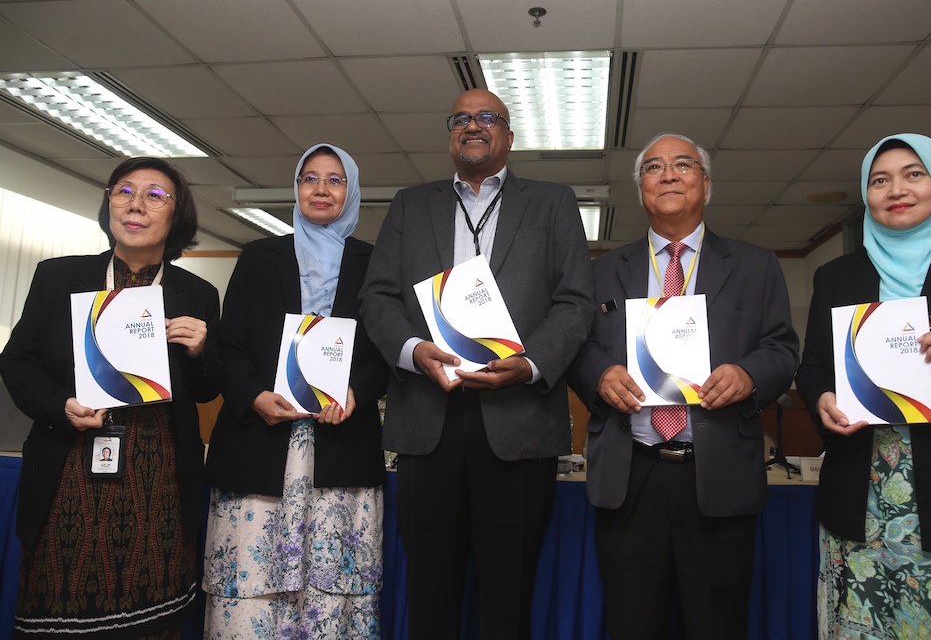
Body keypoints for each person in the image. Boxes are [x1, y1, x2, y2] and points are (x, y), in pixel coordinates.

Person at [360, 88, 594, 640]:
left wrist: (532, 363)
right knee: (430, 595)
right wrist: (413, 351)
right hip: (427, 419)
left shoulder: (553, 201)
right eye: (461, 118)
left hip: (517, 423)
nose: (474, 125)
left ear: (508, 135)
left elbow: (575, 300)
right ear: (450, 135)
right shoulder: (409, 204)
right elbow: (378, 298)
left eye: (488, 117)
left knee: (507, 598)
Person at [568, 133, 799, 638]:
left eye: (682, 164)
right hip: (631, 478)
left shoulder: (756, 266)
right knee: (631, 623)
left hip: (718, 477)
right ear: (641, 189)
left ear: (706, 183)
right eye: (653, 167)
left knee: (717, 624)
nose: (668, 174)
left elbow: (782, 348)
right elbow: (577, 347)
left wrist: (749, 373)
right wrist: (599, 373)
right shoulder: (601, 271)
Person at [0, 157, 222, 638]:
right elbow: (17, 362)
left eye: (155, 195)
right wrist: (59, 404)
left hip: (158, 483)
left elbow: (207, 389)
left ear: (176, 213)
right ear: (108, 204)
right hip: (69, 475)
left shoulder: (197, 293)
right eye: (124, 191)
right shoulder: (58, 277)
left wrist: (203, 350)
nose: (136, 204)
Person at [796, 133, 931, 638]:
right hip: (860, 506)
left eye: (914, 174)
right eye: (879, 180)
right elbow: (815, 368)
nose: (896, 190)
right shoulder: (837, 275)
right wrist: (821, 397)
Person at [203, 144, 388, 639]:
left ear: (351, 191)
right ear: (296, 188)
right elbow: (230, 346)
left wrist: (358, 391)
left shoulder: (376, 262)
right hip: (258, 447)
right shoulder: (260, 256)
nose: (321, 189)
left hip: (342, 450)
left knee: (334, 598)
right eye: (310, 178)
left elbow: (388, 351)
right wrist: (254, 397)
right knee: (248, 600)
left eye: (335, 179)